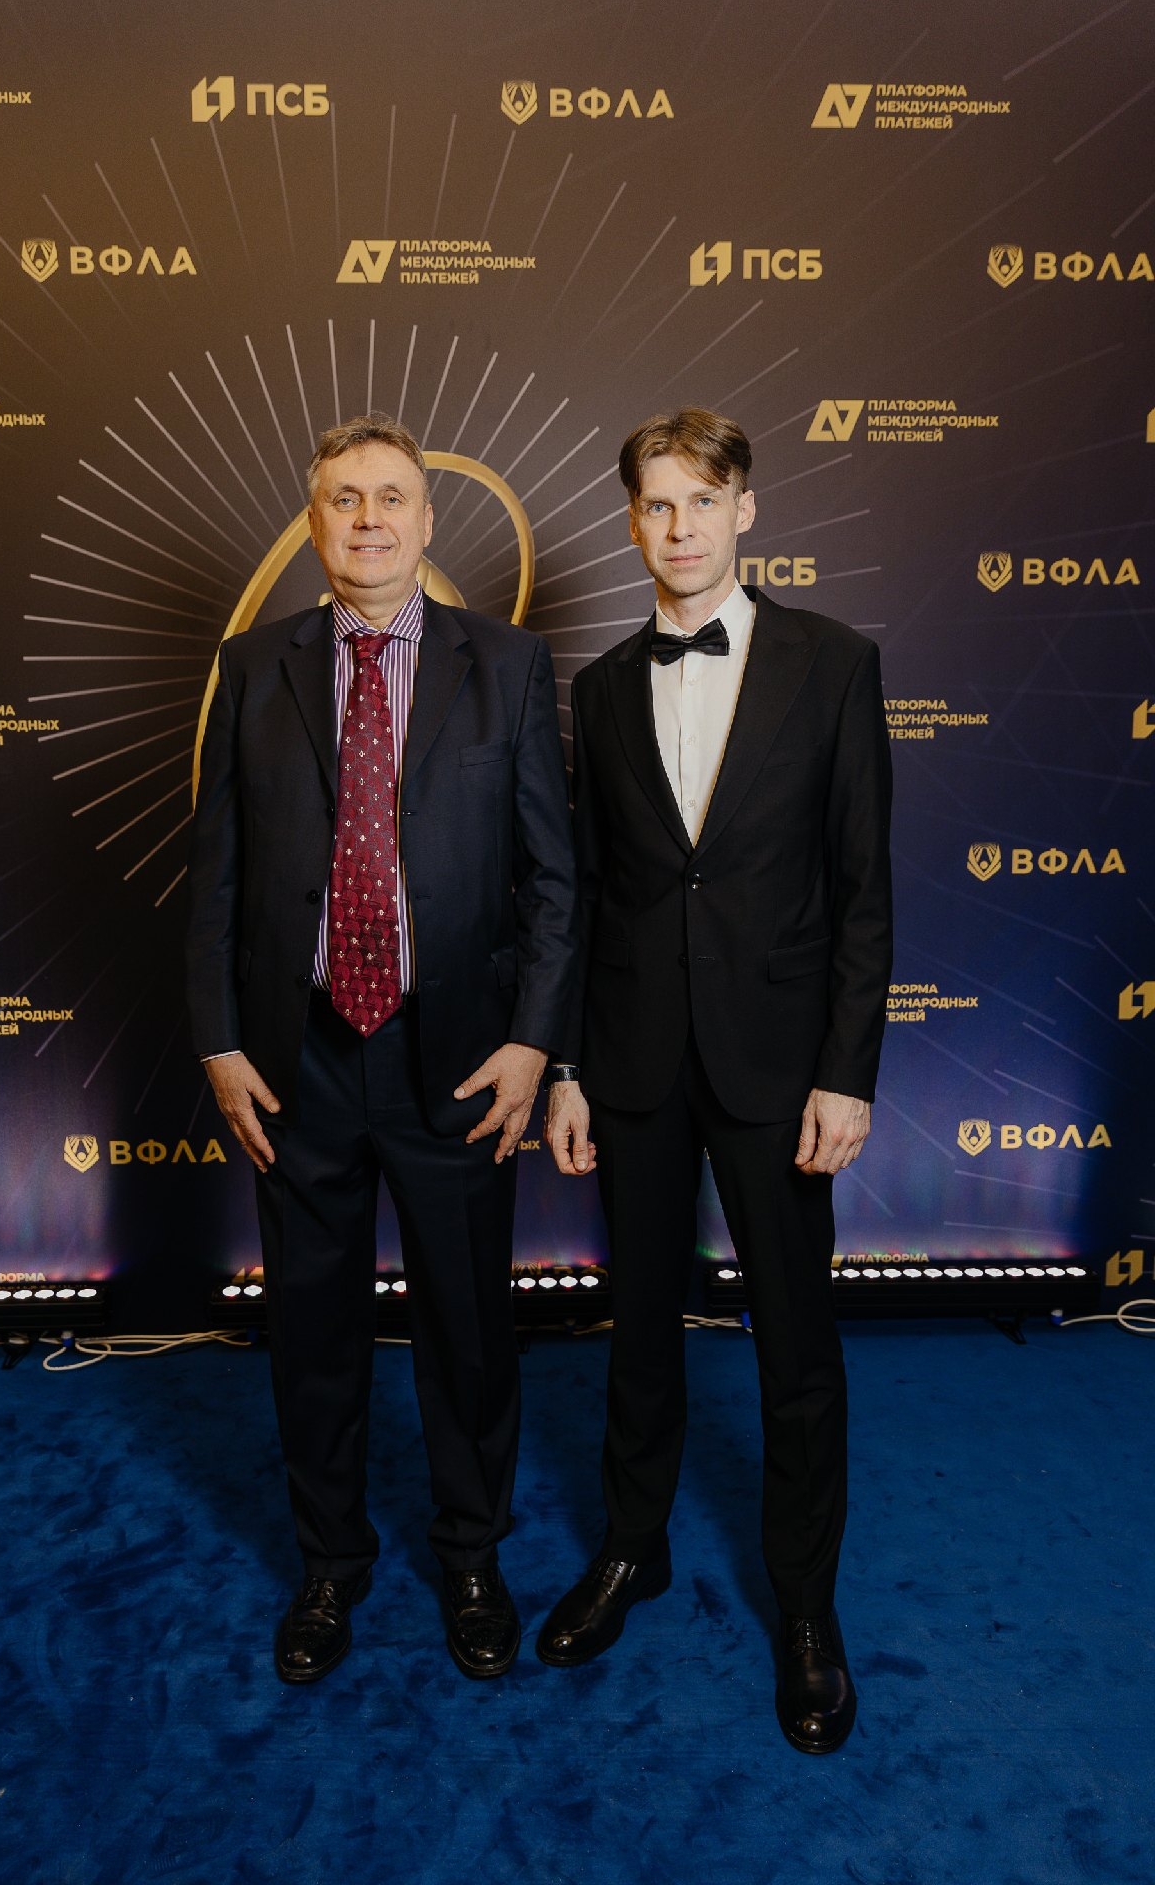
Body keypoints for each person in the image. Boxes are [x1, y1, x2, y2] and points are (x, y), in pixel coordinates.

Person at [186, 414, 576, 1684]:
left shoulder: (506, 664)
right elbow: (214, 876)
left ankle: (470, 1556)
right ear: (313, 524)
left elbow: (553, 879)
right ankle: (329, 1566)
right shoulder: (253, 666)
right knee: (311, 1332)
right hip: (295, 1059)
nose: (368, 518)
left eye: (391, 496)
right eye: (344, 498)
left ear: (426, 518)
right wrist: (218, 1041)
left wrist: (532, 1045)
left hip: (455, 1058)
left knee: (469, 1329)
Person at [539, 407, 892, 1753]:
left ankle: (805, 1610)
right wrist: (570, 1065)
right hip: (632, 1061)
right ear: (631, 521)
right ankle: (633, 1550)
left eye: (702, 500)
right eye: (656, 503)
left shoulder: (835, 663)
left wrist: (845, 1074)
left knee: (795, 1350)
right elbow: (591, 895)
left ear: (746, 509)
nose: (678, 526)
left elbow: (862, 893)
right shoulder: (598, 688)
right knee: (636, 1330)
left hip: (777, 1069)